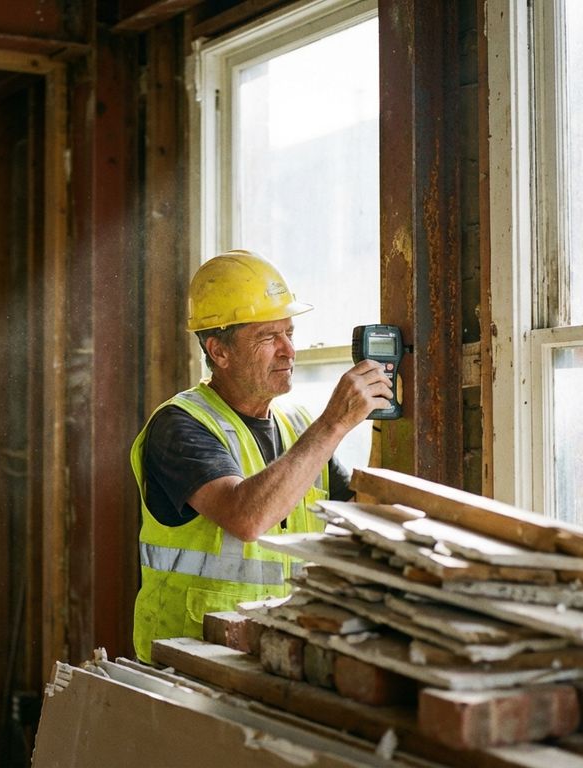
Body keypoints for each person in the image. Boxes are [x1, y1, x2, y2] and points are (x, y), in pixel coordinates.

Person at [131, 249, 394, 663]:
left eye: (289, 332)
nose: (289, 350)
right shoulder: (179, 425)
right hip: (190, 660)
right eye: (268, 337)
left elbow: (361, 517)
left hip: (281, 652)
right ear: (219, 352)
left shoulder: (297, 427)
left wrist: (381, 424)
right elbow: (246, 517)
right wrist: (334, 424)